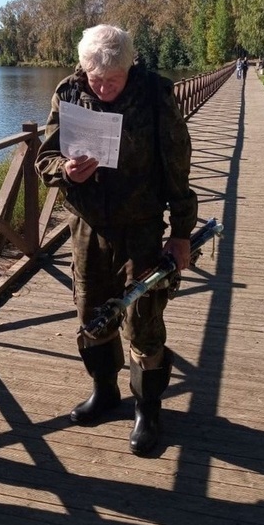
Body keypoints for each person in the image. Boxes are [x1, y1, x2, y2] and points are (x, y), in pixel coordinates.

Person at [34, 25, 198, 456]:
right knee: (91, 316)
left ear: (129, 68)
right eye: (95, 79)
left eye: (112, 80)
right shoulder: (69, 93)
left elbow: (178, 169)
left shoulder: (154, 96)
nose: (103, 88)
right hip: (87, 230)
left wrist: (181, 235)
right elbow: (44, 157)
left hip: (142, 230)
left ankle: (148, 409)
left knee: (144, 322)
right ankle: (105, 391)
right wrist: (63, 171)